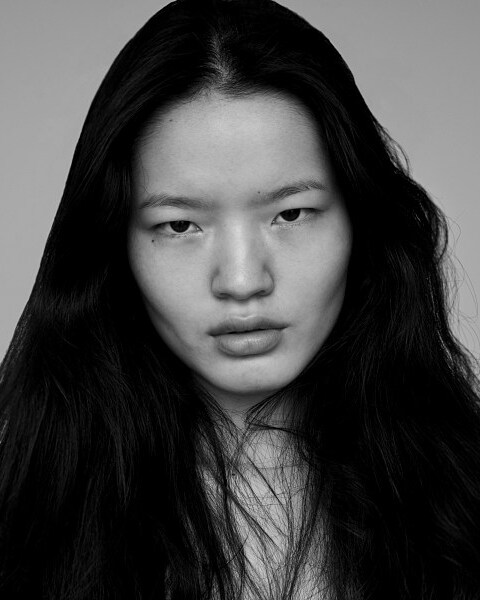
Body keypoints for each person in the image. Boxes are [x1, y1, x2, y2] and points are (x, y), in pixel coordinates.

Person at [1, 0, 479, 598]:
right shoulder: (24, 512)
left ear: (362, 221)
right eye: (180, 225)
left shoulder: (464, 493)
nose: (243, 280)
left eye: (291, 214)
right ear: (114, 244)